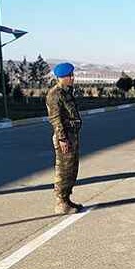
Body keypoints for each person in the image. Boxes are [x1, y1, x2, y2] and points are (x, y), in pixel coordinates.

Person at [46, 62, 85, 214]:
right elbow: (55, 119)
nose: (73, 78)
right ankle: (60, 203)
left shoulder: (67, 92)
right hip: (65, 137)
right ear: (62, 77)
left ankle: (67, 199)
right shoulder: (55, 94)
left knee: (71, 169)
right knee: (63, 170)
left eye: (72, 75)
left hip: (72, 135)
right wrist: (62, 139)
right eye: (70, 76)